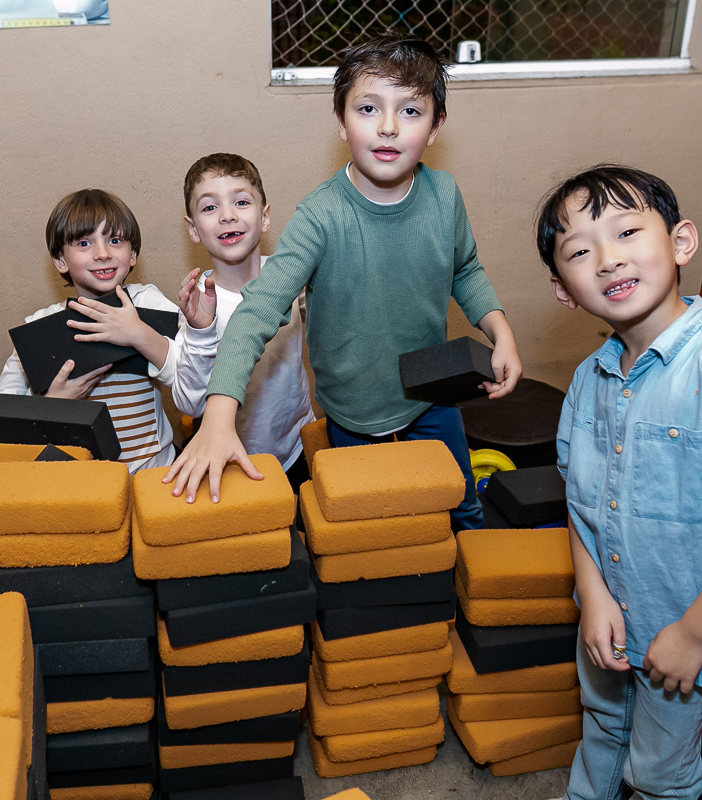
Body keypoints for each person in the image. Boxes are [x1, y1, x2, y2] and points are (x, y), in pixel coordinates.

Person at [165, 32, 522, 529]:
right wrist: (219, 418)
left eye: (411, 112)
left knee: (461, 507)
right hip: (352, 412)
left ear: (436, 127)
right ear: (341, 122)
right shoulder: (319, 217)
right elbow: (254, 313)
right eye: (369, 109)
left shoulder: (445, 195)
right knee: (369, 527)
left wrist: (500, 331)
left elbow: (465, 267)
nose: (390, 128)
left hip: (431, 394)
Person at [537, 164, 702, 800]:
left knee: (658, 771)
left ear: (681, 242)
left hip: (686, 632)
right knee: (601, 731)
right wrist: (592, 593)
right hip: (608, 623)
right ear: (563, 289)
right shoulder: (587, 382)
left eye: (627, 231)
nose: (608, 259)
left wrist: (692, 635)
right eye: (580, 250)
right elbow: (580, 505)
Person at [0, 188, 182, 472]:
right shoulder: (40, 328)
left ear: (133, 255)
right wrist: (53, 405)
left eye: (115, 240)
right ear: (60, 261)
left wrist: (139, 334)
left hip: (155, 475)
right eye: (84, 243)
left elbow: (195, 381)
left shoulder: (147, 303)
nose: (102, 254)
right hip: (83, 487)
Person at [173, 153, 316, 492]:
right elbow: (189, 403)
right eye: (209, 208)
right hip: (230, 459)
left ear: (264, 218)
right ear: (193, 228)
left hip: (296, 445)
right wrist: (200, 332)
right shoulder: (199, 303)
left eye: (240, 201)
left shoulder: (288, 277)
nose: (227, 215)